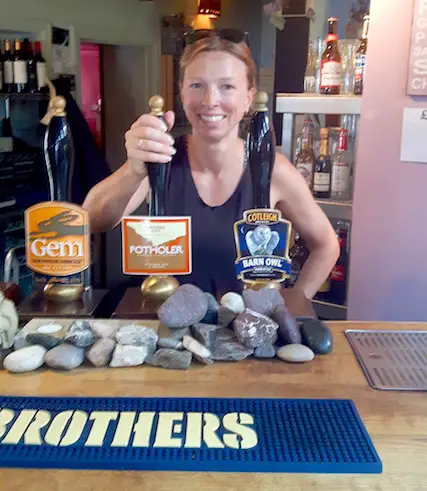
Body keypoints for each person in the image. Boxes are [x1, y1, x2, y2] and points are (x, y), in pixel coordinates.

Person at [82, 29, 339, 299]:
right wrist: (134, 170)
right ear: (181, 93)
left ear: (248, 97)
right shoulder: (162, 159)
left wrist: (292, 305)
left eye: (227, 87)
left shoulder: (273, 170)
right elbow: (92, 220)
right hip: (167, 331)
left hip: (242, 335)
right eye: (197, 86)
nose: (210, 101)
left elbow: (327, 246)